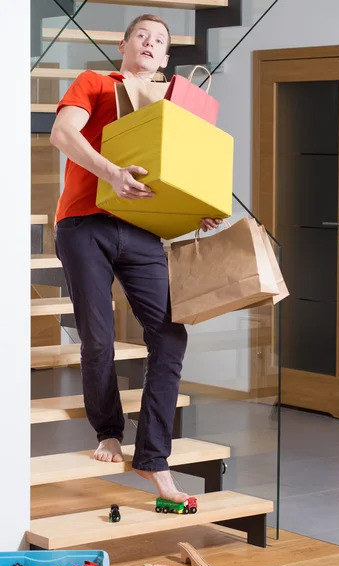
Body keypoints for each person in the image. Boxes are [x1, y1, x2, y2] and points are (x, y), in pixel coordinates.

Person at [50, 14, 221, 503]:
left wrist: (196, 209)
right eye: (141, 35)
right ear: (124, 45)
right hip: (85, 223)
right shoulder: (96, 83)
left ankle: (152, 457)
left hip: (143, 230)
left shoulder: (173, 106)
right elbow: (62, 134)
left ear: (166, 59)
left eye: (159, 40)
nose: (149, 43)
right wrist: (112, 172)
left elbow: (182, 169)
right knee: (98, 340)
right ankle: (108, 430)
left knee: (170, 333)